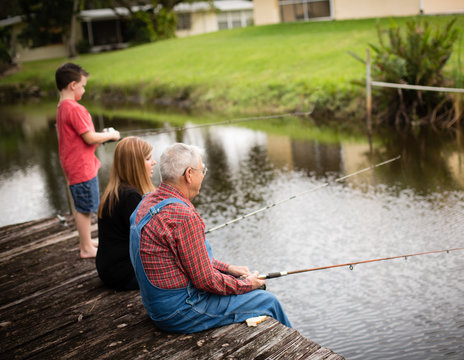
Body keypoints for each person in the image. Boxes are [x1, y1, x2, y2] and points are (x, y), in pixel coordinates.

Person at [129, 143, 291, 333]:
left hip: (157, 308)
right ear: (189, 174)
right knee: (267, 301)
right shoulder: (183, 216)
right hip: (180, 312)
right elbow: (206, 281)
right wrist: (249, 284)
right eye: (202, 170)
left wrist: (229, 269)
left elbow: (189, 259)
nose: (203, 175)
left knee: (236, 283)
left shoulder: (146, 201)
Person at [55, 62, 120, 258]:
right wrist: (110, 136)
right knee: (85, 209)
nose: (84, 89)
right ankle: (86, 248)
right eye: (83, 86)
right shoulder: (75, 109)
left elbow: (81, 138)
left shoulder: (61, 107)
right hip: (81, 166)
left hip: (72, 164)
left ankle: (86, 241)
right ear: (73, 85)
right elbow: (89, 137)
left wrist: (100, 136)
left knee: (81, 205)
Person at [96, 137, 156, 291]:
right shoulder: (131, 197)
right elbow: (149, 242)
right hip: (123, 274)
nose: (154, 162)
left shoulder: (115, 192)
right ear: (135, 165)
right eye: (148, 158)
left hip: (109, 269)